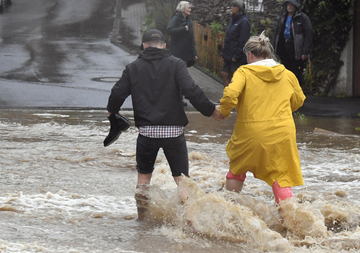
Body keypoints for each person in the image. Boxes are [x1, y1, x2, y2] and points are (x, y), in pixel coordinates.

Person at [107, 29, 222, 218]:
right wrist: (210, 111)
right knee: (182, 180)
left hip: (146, 134)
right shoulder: (176, 64)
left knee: (144, 180)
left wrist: (112, 112)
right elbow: (192, 90)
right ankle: (190, 223)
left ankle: (142, 220)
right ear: (164, 45)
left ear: (144, 46)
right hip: (174, 133)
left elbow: (117, 94)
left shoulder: (133, 67)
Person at [216, 32, 305, 204]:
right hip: (282, 134)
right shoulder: (287, 74)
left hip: (251, 133)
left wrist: (224, 112)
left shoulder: (244, 72)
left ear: (250, 55)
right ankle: (290, 221)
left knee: (237, 169)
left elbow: (231, 95)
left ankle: (229, 212)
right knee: (281, 175)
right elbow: (298, 100)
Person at [272, 0, 313, 90]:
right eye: (288, 4)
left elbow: (308, 35)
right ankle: (286, 94)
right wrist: (274, 49)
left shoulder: (302, 18)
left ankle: (297, 95)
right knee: (284, 72)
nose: (289, 6)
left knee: (296, 73)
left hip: (295, 49)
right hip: (284, 49)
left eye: (291, 4)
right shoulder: (283, 18)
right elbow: (277, 34)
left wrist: (305, 52)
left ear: (296, 6)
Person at [220, 0, 250, 87]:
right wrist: (223, 53)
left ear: (239, 9)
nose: (231, 8)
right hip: (228, 52)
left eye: (234, 6)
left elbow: (244, 40)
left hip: (236, 55)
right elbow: (228, 38)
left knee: (235, 77)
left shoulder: (244, 21)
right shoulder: (232, 20)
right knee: (224, 73)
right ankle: (227, 97)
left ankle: (234, 98)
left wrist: (237, 55)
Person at [166, 1, 197, 68]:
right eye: (188, 8)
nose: (190, 10)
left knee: (182, 72)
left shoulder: (189, 21)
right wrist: (182, 29)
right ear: (183, 9)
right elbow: (169, 30)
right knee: (177, 71)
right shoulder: (176, 18)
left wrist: (194, 52)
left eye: (190, 8)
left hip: (185, 52)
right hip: (177, 52)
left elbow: (191, 37)